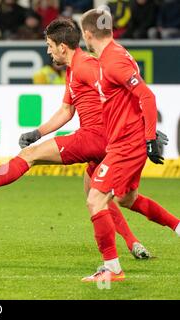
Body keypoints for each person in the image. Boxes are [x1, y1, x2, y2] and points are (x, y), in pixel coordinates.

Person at [0, 18, 159, 260]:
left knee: (30, 156)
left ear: (62, 47)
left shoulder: (87, 66)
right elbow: (67, 111)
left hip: (96, 137)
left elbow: (118, 94)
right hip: (102, 141)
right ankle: (133, 244)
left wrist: (140, 128)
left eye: (49, 45)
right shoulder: (74, 69)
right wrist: (38, 132)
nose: (48, 51)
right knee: (96, 194)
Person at [79, 8, 180, 282]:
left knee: (95, 200)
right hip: (125, 140)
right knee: (126, 199)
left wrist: (149, 137)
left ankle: (112, 269)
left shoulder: (112, 61)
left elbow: (146, 95)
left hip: (127, 144)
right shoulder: (117, 52)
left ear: (88, 34)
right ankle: (178, 226)